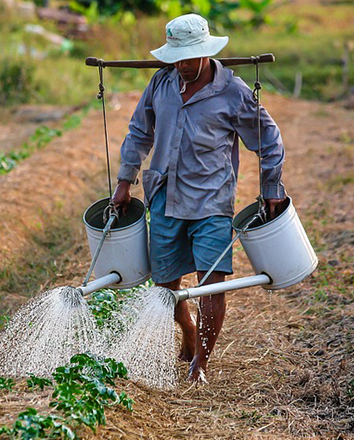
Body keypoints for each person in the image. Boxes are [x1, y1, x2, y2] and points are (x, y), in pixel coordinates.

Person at [110, 13, 287, 383]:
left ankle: (199, 365)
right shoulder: (161, 83)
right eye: (177, 58)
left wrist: (271, 188)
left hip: (211, 201)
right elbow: (139, 132)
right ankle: (188, 330)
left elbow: (269, 141)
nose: (183, 65)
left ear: (206, 53)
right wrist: (125, 180)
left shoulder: (233, 92)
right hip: (164, 197)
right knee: (165, 286)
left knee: (212, 283)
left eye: (190, 58)